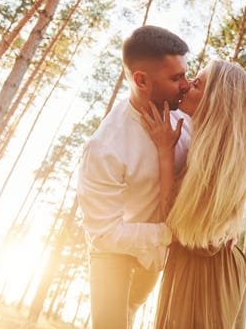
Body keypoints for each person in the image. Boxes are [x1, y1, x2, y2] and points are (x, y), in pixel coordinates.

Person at [76, 25, 192, 329]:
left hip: (155, 260)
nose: (186, 84)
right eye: (176, 77)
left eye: (185, 74)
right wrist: (174, 234)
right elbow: (104, 233)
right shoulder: (104, 147)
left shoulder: (186, 120)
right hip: (113, 254)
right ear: (141, 80)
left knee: (131, 311)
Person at [140, 59, 246, 328]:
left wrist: (164, 151)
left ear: (215, 102)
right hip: (206, 265)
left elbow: (174, 223)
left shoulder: (215, 161)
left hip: (204, 273)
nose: (186, 86)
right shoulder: (212, 149)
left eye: (197, 84)